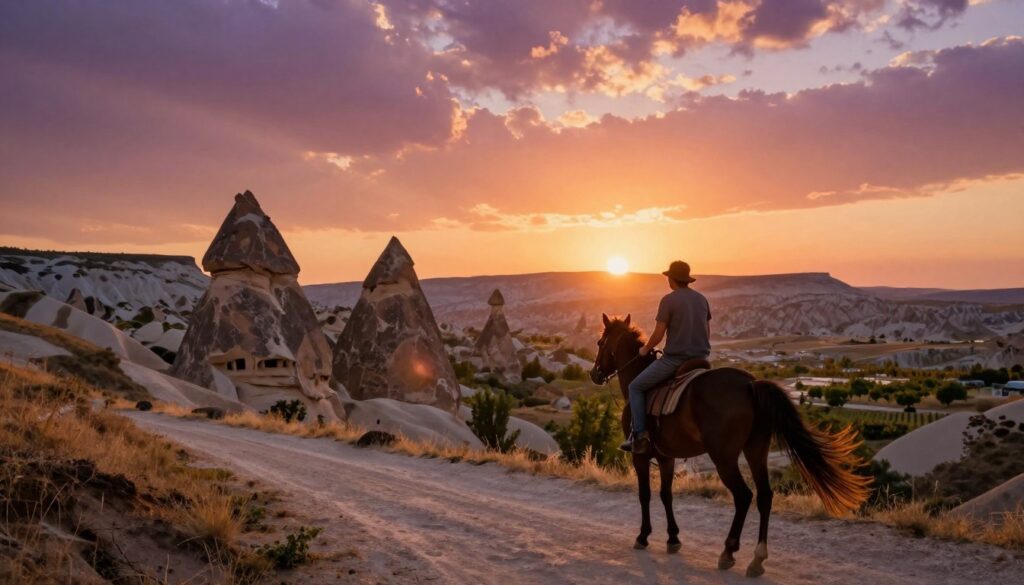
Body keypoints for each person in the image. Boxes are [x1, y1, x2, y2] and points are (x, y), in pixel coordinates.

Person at [620, 260, 711, 455]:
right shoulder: (702, 299)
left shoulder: (668, 300)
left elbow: (659, 333)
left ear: (671, 279)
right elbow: (707, 331)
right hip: (702, 358)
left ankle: (639, 435)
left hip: (676, 359)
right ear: (687, 279)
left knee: (635, 387)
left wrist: (645, 349)